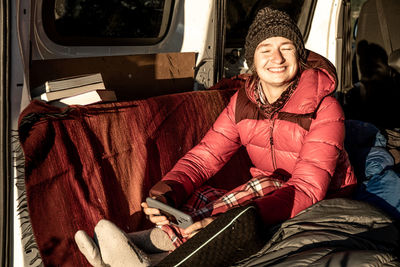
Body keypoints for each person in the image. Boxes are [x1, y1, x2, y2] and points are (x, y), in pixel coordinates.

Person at [74, 6, 357, 266]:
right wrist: (168, 190)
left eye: (286, 48)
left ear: (299, 56)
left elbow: (307, 189)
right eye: (265, 49)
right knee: (203, 199)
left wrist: (227, 222)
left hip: (324, 197)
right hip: (270, 187)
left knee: (244, 206)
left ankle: (138, 258)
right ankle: (132, 247)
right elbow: (204, 157)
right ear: (252, 60)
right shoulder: (242, 103)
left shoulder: (324, 106)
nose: (277, 59)